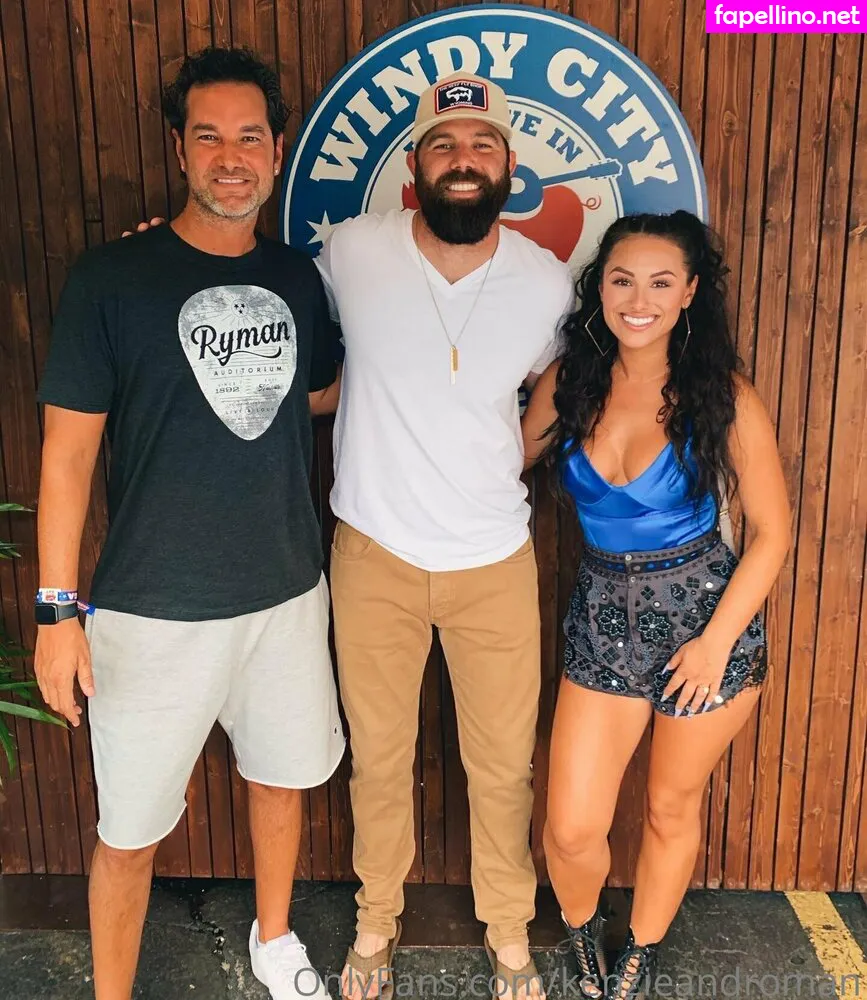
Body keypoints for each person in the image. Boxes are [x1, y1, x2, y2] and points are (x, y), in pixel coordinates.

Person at [34, 48, 344, 1000]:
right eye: (209, 136)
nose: (230, 157)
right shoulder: (111, 279)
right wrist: (56, 611)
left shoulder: (296, 278)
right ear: (179, 149)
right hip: (152, 610)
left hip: (286, 592)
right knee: (129, 831)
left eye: (250, 136)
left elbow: (318, 394)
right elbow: (67, 454)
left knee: (281, 779)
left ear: (277, 149)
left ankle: (274, 939)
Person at [316, 72, 574, 1000]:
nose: (462, 160)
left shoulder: (544, 280)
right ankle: (374, 923)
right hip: (373, 552)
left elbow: (563, 374)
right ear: (415, 169)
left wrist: (518, 450)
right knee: (378, 760)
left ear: (507, 166)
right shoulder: (352, 250)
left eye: (480, 146)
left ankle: (509, 933)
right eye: (443, 146)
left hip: (492, 558)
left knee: (502, 767)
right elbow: (271, 308)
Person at [521, 211, 790, 1000]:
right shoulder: (569, 382)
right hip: (602, 621)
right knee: (571, 828)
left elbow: (771, 534)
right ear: (598, 288)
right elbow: (496, 463)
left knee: (670, 808)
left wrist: (714, 644)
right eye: (622, 280)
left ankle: (637, 953)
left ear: (689, 293)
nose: (638, 300)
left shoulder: (722, 396)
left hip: (704, 626)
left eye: (660, 282)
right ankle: (581, 931)